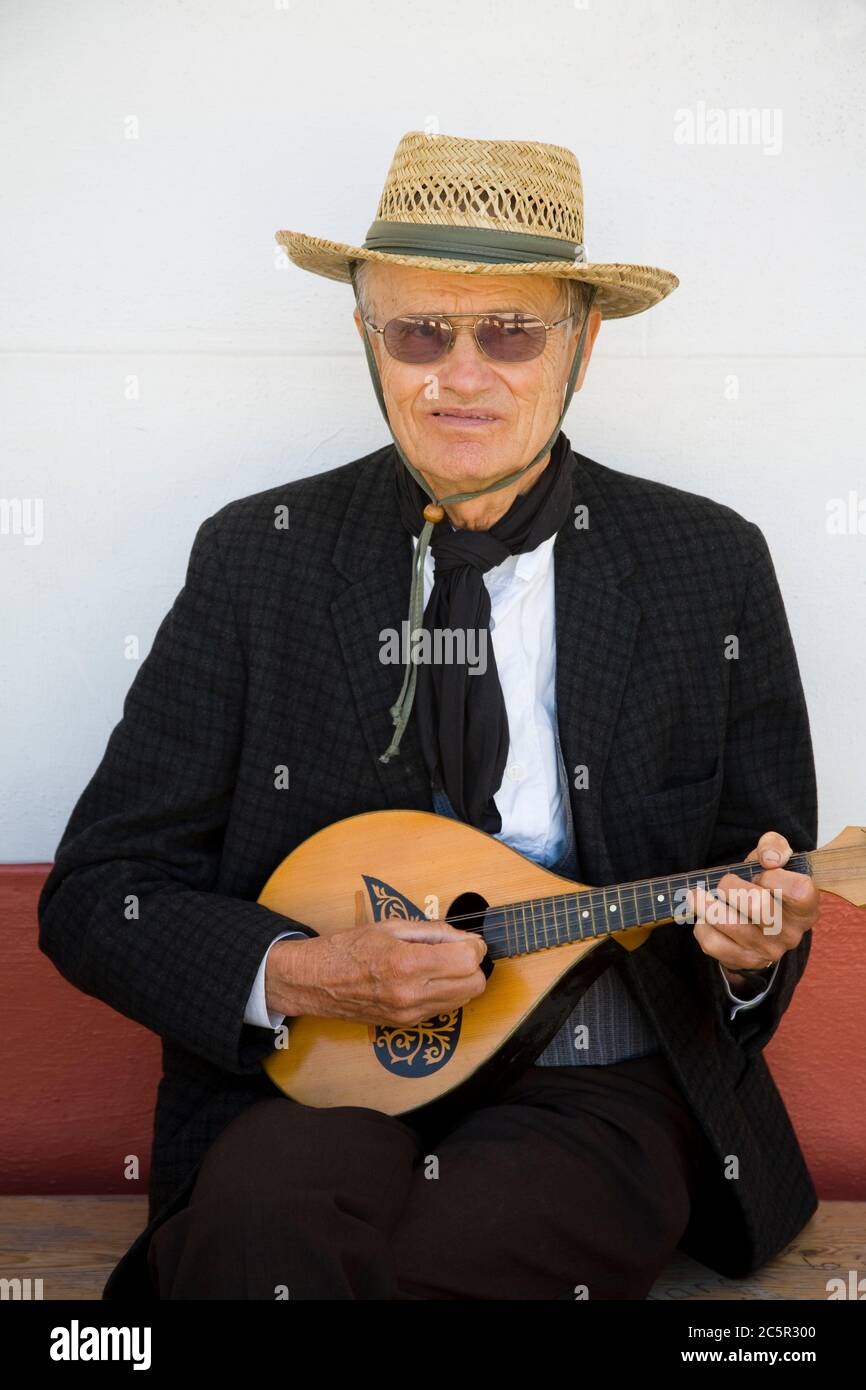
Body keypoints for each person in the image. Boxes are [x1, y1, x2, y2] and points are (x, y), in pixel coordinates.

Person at [37, 130, 821, 1300]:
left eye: (509, 332)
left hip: (595, 1081)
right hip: (318, 1075)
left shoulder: (706, 565)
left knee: (418, 1265)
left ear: (583, 343)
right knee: (264, 1237)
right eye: (418, 331)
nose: (460, 377)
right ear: (366, 338)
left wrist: (755, 949)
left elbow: (766, 870)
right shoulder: (261, 561)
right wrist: (304, 978)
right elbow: (101, 893)